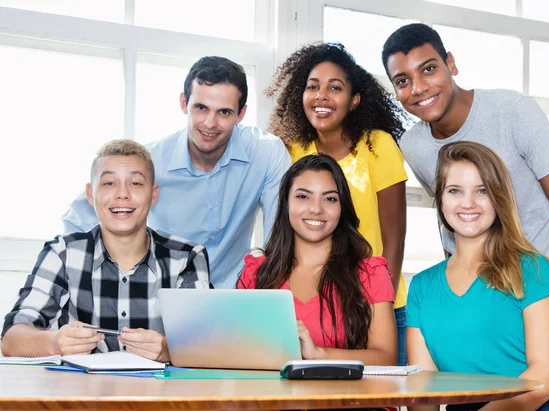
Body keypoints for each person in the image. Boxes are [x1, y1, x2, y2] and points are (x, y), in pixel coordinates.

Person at [382, 23, 549, 376]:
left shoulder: (512, 112)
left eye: (429, 68)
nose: (418, 88)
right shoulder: (414, 145)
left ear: (451, 63)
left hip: (535, 298)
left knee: (537, 391)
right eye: (402, 80)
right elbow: (458, 220)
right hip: (474, 304)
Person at [62, 56, 291, 290]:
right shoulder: (149, 162)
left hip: (232, 300)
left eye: (224, 112)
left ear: (241, 114)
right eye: (201, 108)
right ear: (184, 103)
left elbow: (282, 237)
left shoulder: (266, 153)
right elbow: (77, 222)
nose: (210, 123)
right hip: (159, 298)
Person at [2, 140, 210, 362]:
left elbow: (207, 345)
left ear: (153, 195)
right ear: (91, 195)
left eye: (136, 183)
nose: (122, 194)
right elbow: (11, 340)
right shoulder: (62, 253)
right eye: (109, 183)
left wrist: (166, 350)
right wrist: (55, 342)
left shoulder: (188, 257)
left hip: (159, 394)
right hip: (80, 394)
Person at [266, 43, 409, 364]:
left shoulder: (378, 146)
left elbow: (394, 237)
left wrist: (375, 302)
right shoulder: (291, 152)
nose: (322, 96)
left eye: (335, 88)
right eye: (313, 86)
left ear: (354, 99)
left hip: (375, 305)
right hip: (317, 306)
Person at [407, 141, 549, 411]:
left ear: (498, 198)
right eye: (455, 191)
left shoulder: (532, 269)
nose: (468, 203)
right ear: (440, 199)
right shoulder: (422, 286)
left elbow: (547, 375)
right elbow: (424, 389)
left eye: (481, 191)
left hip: (538, 404)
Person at [237, 154, 397, 366]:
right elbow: (236, 353)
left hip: (350, 399)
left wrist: (319, 354)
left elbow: (386, 358)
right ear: (285, 203)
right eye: (303, 196)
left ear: (342, 208)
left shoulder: (370, 273)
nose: (316, 208)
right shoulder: (255, 274)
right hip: (275, 398)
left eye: (330, 198)